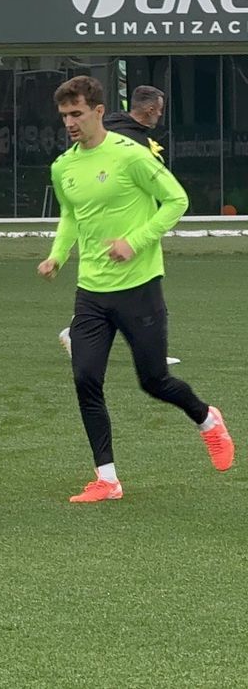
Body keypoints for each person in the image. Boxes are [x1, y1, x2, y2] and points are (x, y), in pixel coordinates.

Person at [38, 76, 234, 503]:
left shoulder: (131, 156)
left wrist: (135, 241)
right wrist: (58, 255)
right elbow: (70, 216)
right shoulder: (63, 166)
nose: (70, 123)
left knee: (154, 380)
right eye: (64, 116)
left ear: (97, 111)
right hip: (90, 291)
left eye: (76, 114)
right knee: (86, 378)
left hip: (140, 287)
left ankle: (207, 420)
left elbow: (177, 201)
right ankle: (107, 479)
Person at [60, 84, 174, 361]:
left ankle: (79, 333)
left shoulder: (124, 133)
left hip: (126, 224)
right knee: (133, 291)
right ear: (149, 109)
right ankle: (150, 354)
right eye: (159, 110)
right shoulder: (126, 140)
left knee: (118, 291)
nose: (160, 115)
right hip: (118, 229)